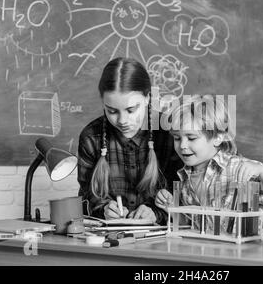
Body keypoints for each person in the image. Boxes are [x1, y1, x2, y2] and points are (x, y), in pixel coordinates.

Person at [155, 95, 263, 232]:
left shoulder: (237, 167)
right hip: (212, 250)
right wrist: (171, 208)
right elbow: (191, 223)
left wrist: (262, 171)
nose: (182, 145)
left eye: (191, 138)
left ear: (218, 138)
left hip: (248, 249)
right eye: (177, 138)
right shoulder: (185, 177)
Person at [77, 57, 183, 225]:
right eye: (112, 111)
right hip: (110, 240)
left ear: (148, 98)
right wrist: (103, 209)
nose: (122, 120)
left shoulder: (171, 133)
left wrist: (156, 214)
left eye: (131, 110)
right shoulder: (91, 137)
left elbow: (185, 194)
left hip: (162, 240)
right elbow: (87, 195)